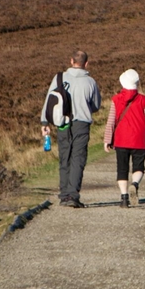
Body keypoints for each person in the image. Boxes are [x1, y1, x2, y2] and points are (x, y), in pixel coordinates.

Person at [40, 50, 102, 208]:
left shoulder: (59, 78)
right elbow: (95, 106)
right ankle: (73, 195)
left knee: (64, 157)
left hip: (62, 123)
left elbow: (49, 101)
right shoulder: (91, 82)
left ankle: (64, 195)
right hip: (82, 123)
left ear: (71, 61)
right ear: (86, 63)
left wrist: (44, 123)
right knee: (78, 158)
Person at [103, 69, 145, 208]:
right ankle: (135, 184)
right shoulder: (144, 100)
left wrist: (107, 139)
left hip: (121, 139)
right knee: (139, 167)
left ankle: (124, 198)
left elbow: (111, 121)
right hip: (139, 138)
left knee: (122, 169)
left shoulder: (116, 99)